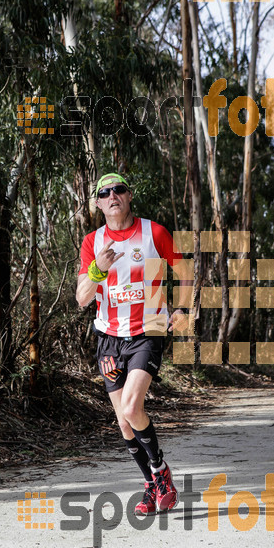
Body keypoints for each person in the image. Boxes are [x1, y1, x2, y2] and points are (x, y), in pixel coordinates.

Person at [76, 172, 193, 516]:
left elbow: (185, 270)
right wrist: (98, 268)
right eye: (105, 192)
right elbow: (82, 298)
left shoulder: (153, 232)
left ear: (129, 196)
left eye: (119, 190)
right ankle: (151, 485)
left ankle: (161, 473)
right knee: (124, 422)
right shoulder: (91, 243)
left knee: (131, 408)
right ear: (98, 203)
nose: (113, 195)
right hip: (109, 338)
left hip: (148, 331)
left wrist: (183, 308)